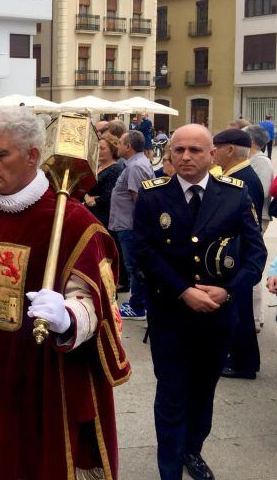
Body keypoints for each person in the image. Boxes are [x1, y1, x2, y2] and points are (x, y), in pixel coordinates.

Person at [0, 107, 129, 479]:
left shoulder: (76, 223)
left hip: (41, 370)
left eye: (0, 154)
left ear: (33, 155)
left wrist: (69, 317)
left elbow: (96, 300)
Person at [133, 124, 266, 480]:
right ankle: (170, 468)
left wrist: (229, 291)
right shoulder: (152, 195)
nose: (186, 156)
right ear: (169, 155)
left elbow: (256, 255)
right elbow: (143, 252)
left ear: (212, 155)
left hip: (217, 316)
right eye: (179, 150)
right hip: (171, 315)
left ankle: (193, 449)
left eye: (195, 150)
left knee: (203, 392)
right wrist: (183, 290)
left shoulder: (235, 195)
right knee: (172, 393)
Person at [212, 128, 263, 380]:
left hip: (237, 256)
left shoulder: (244, 178)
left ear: (230, 149)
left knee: (241, 312)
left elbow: (247, 226)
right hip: (233, 254)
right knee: (237, 311)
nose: (213, 153)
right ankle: (239, 357)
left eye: (216, 148)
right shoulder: (238, 174)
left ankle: (244, 363)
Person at [110, 130, 154, 320]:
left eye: (120, 142)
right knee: (134, 266)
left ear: (128, 146)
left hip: (130, 225)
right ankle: (138, 302)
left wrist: (141, 228)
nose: (117, 146)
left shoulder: (135, 167)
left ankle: (138, 306)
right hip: (127, 224)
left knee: (134, 266)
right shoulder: (136, 163)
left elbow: (139, 199)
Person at [245, 124, 273, 331]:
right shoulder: (253, 160)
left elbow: (260, 191)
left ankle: (255, 317)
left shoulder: (261, 162)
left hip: (257, 218)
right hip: (253, 217)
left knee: (252, 266)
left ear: (252, 142)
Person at [84, 133, 123, 227]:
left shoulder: (115, 169)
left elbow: (109, 196)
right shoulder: (96, 166)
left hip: (103, 218)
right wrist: (87, 197)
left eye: (102, 148)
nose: (98, 151)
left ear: (112, 150)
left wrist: (93, 199)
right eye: (97, 148)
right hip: (88, 213)